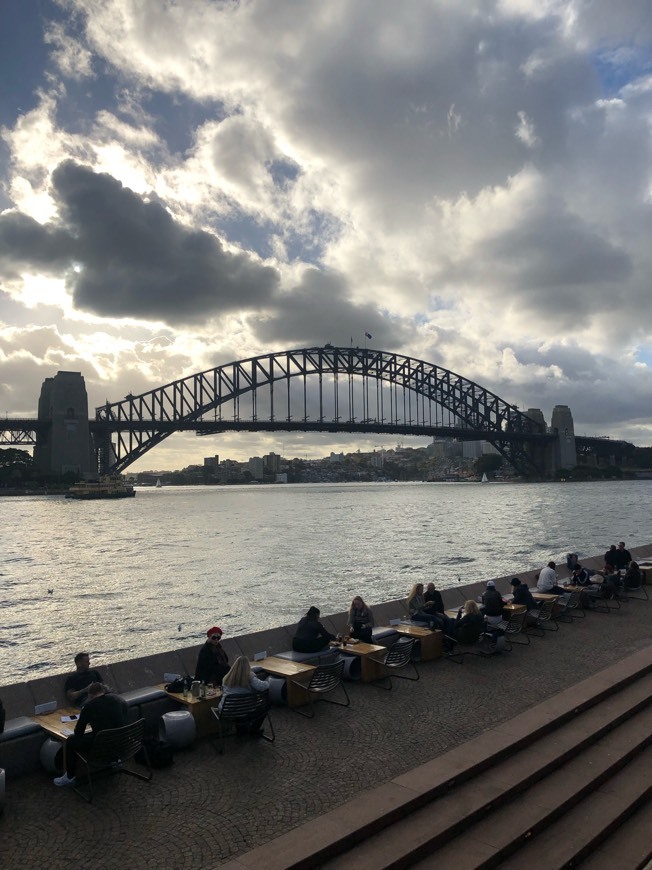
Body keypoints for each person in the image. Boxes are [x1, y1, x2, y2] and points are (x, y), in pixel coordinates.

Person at [53, 682, 129, 787]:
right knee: (106, 732)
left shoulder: (89, 706)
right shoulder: (117, 699)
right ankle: (115, 760)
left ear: (90, 695)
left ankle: (69, 777)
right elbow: (124, 714)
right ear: (103, 691)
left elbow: (78, 732)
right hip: (121, 743)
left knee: (71, 741)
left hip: (101, 748)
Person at [219, 656, 270, 735]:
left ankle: (241, 730)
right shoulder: (250, 678)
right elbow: (263, 686)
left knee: (237, 704)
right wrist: (267, 682)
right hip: (245, 712)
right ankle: (254, 731)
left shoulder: (226, 678)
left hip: (227, 712)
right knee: (266, 705)